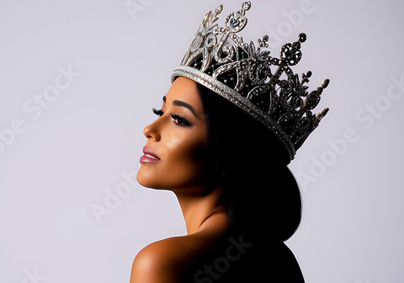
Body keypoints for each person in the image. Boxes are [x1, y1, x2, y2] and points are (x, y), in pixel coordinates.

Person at [130, 2, 329, 282]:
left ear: (231, 148)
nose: (150, 129)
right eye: (159, 112)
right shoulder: (278, 257)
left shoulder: (162, 263)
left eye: (179, 119)